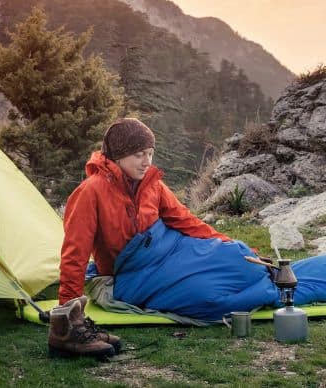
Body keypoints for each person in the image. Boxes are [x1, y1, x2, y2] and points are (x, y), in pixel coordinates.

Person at [47, 118, 231, 358]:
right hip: (128, 277)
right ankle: (67, 334)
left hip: (163, 261)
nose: (147, 162)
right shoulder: (90, 192)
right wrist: (69, 311)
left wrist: (225, 242)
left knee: (229, 257)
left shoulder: (153, 186)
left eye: (150, 154)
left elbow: (186, 221)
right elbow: (75, 253)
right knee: (206, 294)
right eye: (139, 155)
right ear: (118, 155)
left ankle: (265, 273)